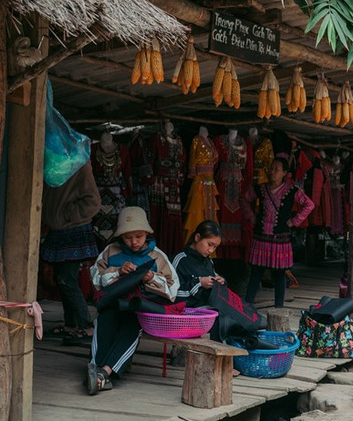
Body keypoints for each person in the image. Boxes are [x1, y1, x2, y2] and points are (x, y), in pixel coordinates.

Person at [87, 207, 179, 394]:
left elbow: (173, 289)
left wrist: (151, 277)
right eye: (128, 237)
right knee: (104, 322)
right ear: (120, 236)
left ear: (147, 233)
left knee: (132, 327)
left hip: (138, 309)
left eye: (139, 236)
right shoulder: (110, 251)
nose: (134, 241)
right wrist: (118, 271)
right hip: (113, 304)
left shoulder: (157, 256)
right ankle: (95, 369)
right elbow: (95, 277)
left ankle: (104, 372)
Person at [243, 155, 314, 308]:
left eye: (277, 169)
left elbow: (309, 205)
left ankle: (279, 308)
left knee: (279, 273)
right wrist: (251, 217)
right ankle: (247, 306)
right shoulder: (261, 189)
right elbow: (244, 199)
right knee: (256, 272)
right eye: (272, 168)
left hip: (280, 238)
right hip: (261, 236)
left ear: (284, 173)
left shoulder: (292, 191)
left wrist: (294, 221)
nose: (272, 171)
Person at [41, 162, 100, 345]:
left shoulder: (79, 164)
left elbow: (93, 202)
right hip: (59, 229)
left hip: (72, 229)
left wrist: (67, 214)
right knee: (62, 278)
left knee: (67, 279)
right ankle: (71, 324)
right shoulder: (54, 164)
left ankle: (86, 325)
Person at [172, 220, 225, 307]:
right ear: (197, 237)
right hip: (187, 314)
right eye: (209, 244)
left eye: (215, 247)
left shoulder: (208, 261)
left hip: (208, 311)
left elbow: (214, 276)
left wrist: (220, 281)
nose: (211, 250)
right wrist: (199, 283)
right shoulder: (180, 260)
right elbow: (172, 294)